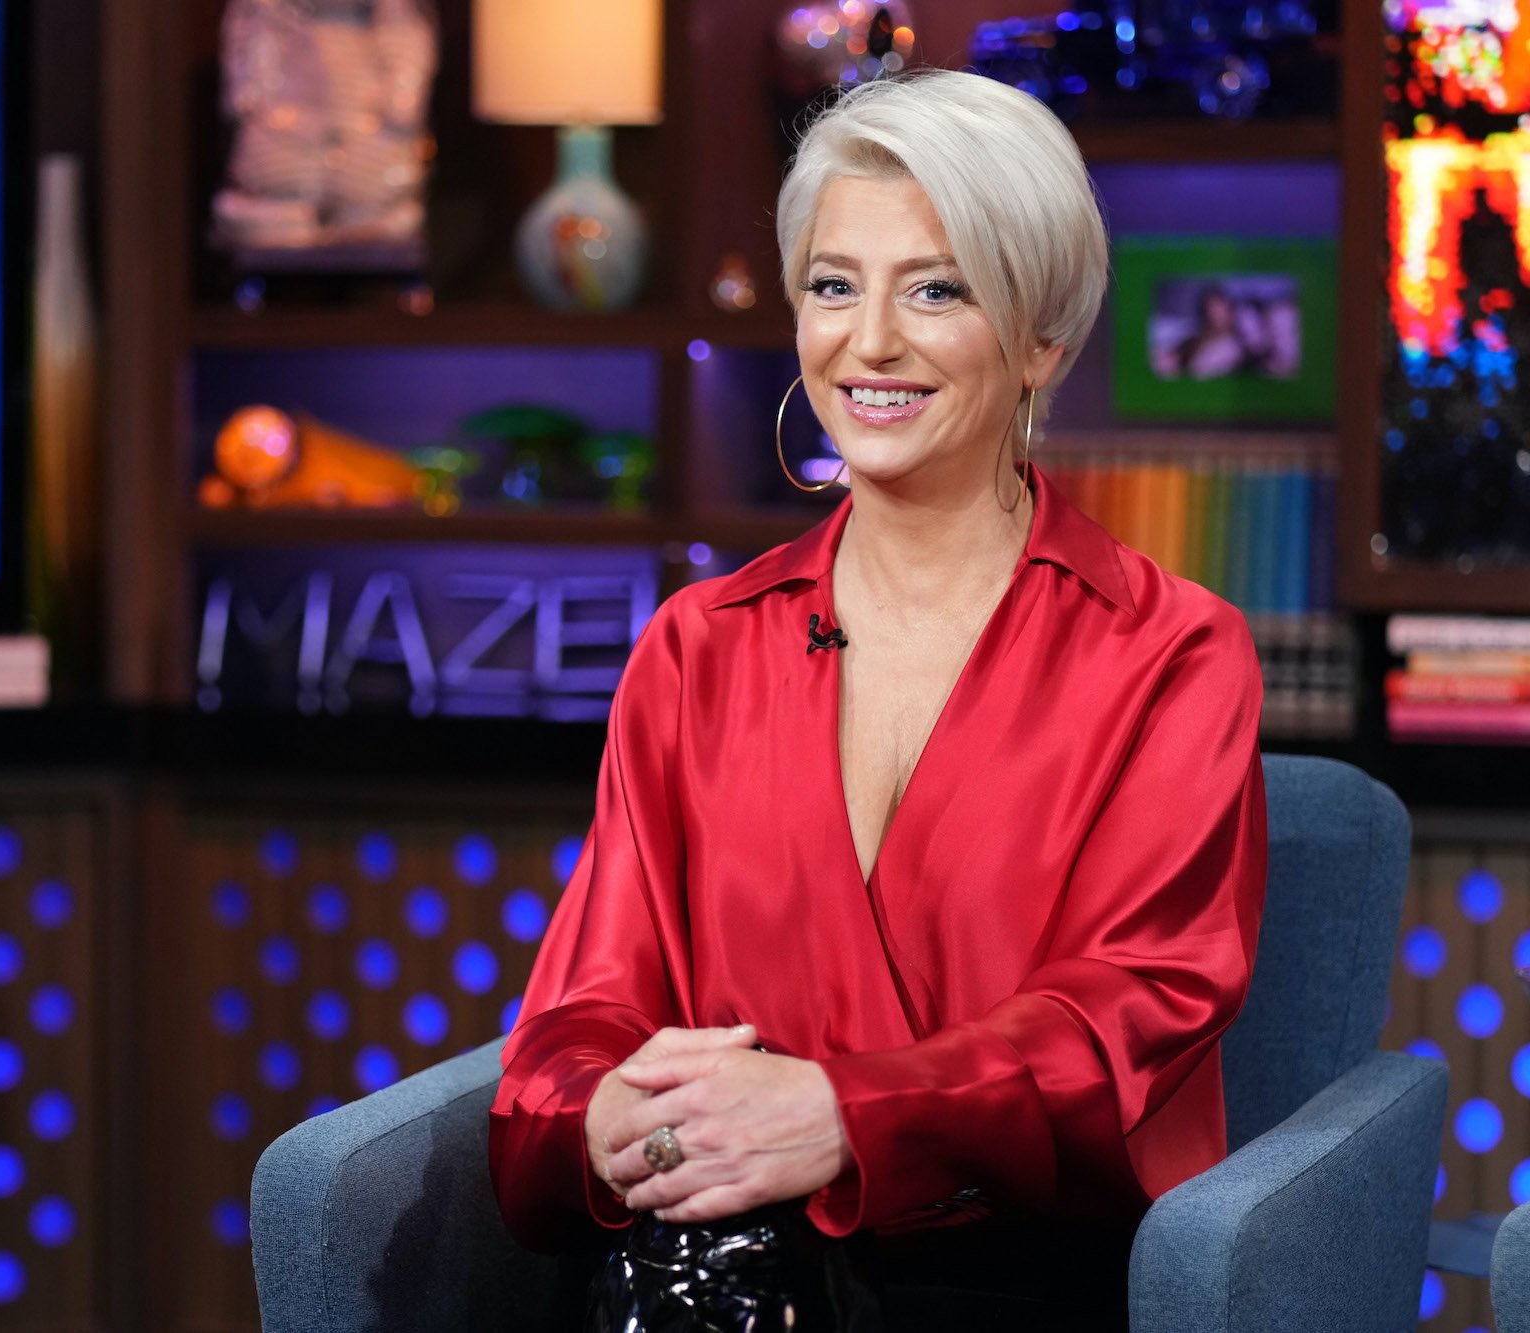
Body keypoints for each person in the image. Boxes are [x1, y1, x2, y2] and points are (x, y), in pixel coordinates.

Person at [489, 69, 1267, 1332]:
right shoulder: (696, 646)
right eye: (834, 286)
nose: (870, 344)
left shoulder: (1169, 651)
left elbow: (1126, 1020)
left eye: (937, 288)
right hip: (716, 1256)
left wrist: (846, 1118)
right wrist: (602, 1114)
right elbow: (586, 1012)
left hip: (1014, 1274)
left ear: (1039, 341)